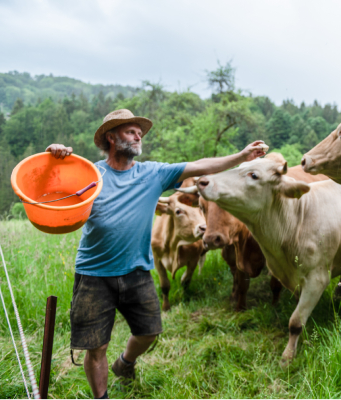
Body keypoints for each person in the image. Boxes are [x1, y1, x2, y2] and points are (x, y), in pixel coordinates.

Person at [47, 109, 266, 399]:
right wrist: (55, 157)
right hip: (94, 274)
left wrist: (240, 157)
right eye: (130, 131)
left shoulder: (152, 174)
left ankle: (125, 363)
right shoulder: (91, 174)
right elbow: (50, 188)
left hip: (137, 271)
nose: (139, 135)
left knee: (149, 332)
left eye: (140, 132)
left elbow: (200, 165)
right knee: (96, 347)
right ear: (111, 137)